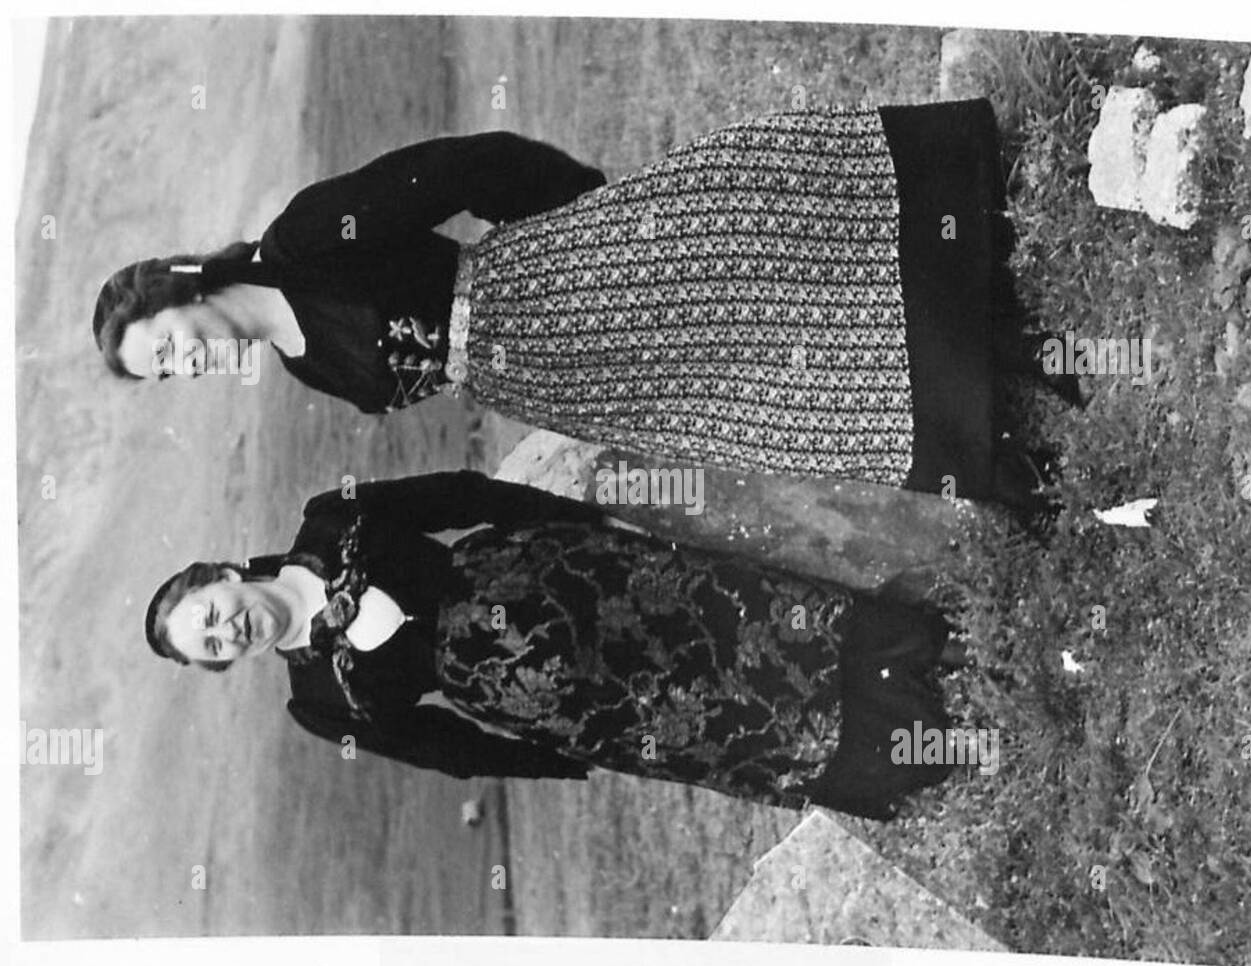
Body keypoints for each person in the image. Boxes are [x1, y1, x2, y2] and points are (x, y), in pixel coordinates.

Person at [95, 100, 1067, 504]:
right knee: (755, 398)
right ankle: (965, 404)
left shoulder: (308, 239)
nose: (185, 364)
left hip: (553, 284)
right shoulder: (308, 368)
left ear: (182, 287)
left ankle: (952, 241)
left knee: (746, 242)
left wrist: (595, 214)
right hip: (569, 385)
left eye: (166, 343)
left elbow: (461, 170)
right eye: (166, 374)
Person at [144, 470, 960, 820]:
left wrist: (568, 523)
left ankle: (912, 649)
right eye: (213, 645)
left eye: (211, 611)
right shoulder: (317, 704)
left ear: (220, 574)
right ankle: (903, 746)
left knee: (733, 619)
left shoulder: (331, 518)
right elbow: (445, 749)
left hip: (563, 581)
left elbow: (461, 495)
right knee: (709, 719)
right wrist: (563, 759)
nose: (227, 628)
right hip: (562, 705)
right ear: (227, 661)